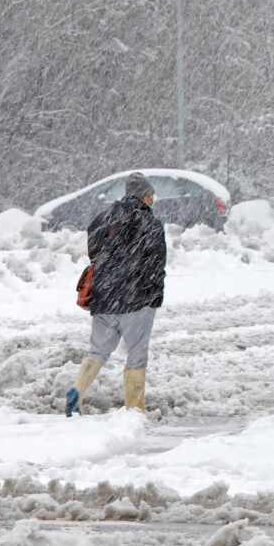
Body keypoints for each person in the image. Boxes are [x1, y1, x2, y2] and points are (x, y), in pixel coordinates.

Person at [66, 173, 167, 416]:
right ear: (144, 196)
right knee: (136, 354)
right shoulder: (149, 224)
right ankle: (135, 409)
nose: (152, 200)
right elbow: (156, 263)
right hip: (137, 300)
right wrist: (154, 293)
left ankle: (77, 392)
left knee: (98, 351)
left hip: (105, 298)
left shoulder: (102, 219)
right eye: (151, 196)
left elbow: (94, 255)